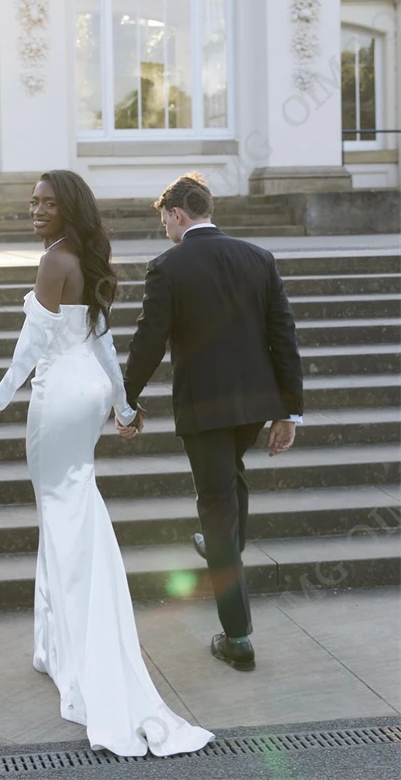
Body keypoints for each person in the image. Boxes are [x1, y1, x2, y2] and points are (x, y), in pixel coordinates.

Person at [0, 169, 214, 757]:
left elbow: (29, 351)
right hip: (88, 396)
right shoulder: (88, 254)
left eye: (47, 203)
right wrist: (122, 405)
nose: (36, 210)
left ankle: (81, 653)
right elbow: (104, 341)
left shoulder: (55, 261)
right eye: (32, 202)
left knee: (61, 514)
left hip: (58, 395)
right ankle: (59, 647)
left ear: (68, 207)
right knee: (73, 508)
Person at [121, 172, 304, 672]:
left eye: (163, 220)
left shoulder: (167, 266)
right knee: (229, 481)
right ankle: (226, 542)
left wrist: (125, 399)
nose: (163, 229)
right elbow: (282, 335)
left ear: (178, 214)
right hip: (252, 408)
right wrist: (287, 410)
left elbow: (148, 342)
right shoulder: (258, 258)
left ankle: (238, 636)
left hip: (204, 412)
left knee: (217, 507)